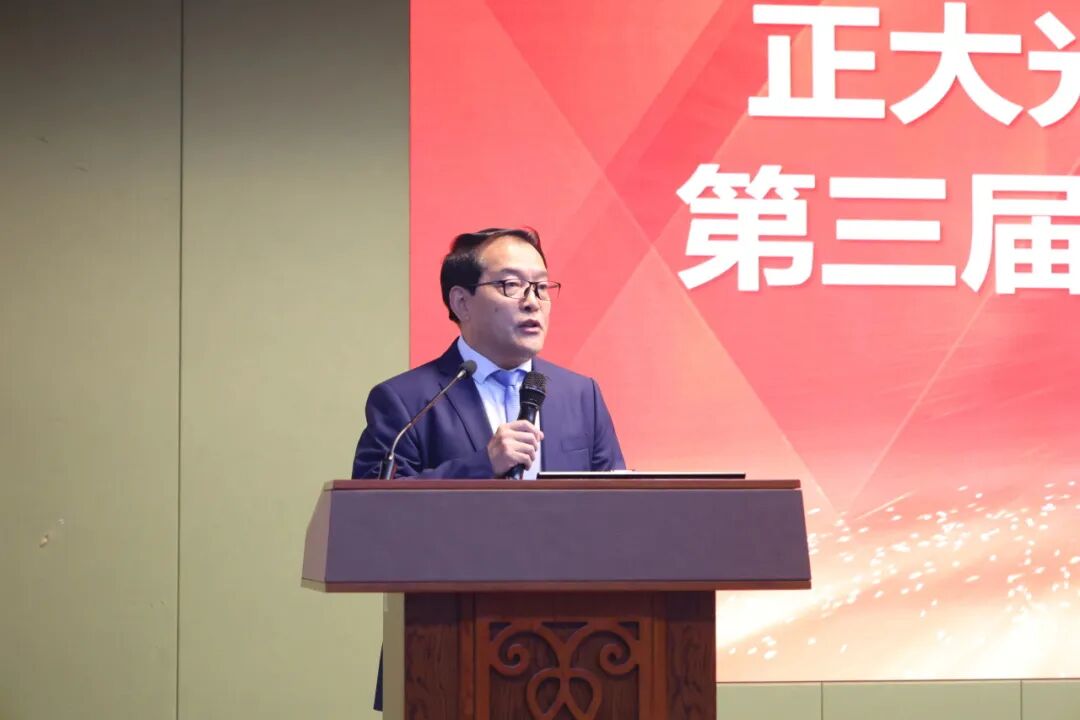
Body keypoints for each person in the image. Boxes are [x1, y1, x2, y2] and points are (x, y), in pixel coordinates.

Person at [351, 226, 625, 711]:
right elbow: (373, 515)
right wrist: (483, 465)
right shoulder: (406, 398)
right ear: (461, 301)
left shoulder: (580, 394)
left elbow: (619, 513)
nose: (532, 301)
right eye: (511, 285)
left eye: (542, 286)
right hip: (446, 649)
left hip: (578, 655)